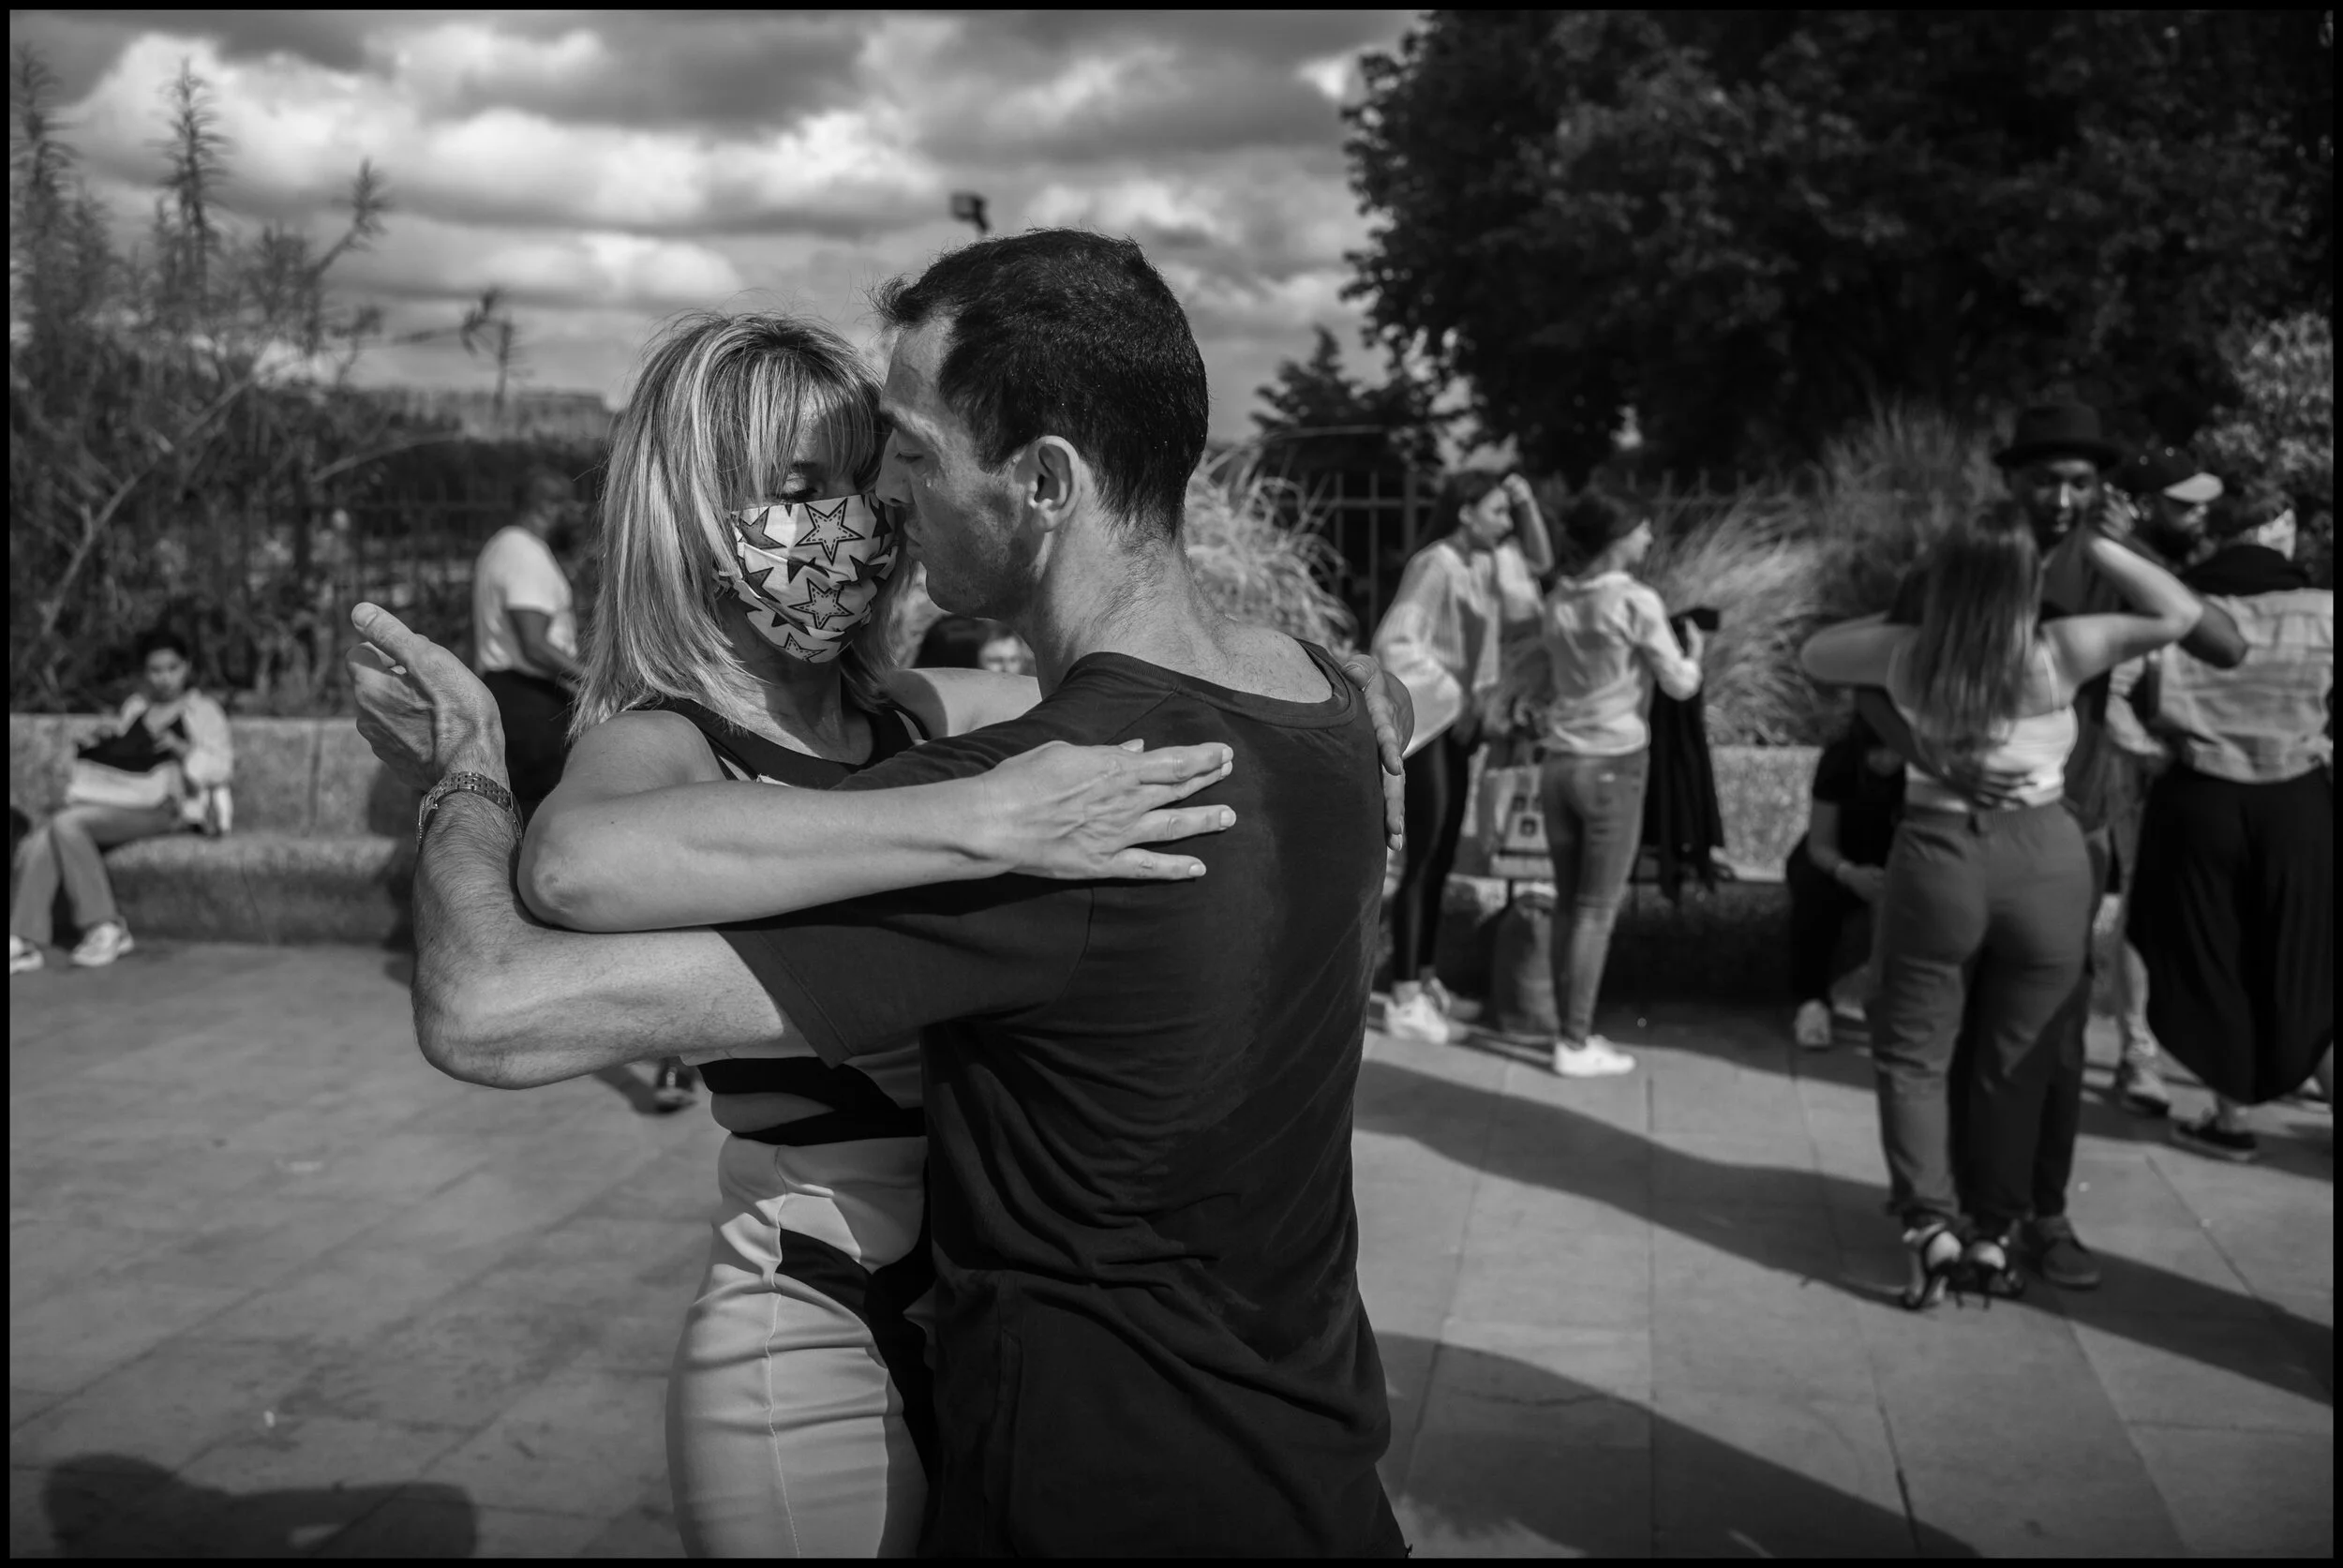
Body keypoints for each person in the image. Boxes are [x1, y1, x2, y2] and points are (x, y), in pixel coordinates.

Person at [346, 230, 1415, 1557]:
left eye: (879, 466)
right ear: (697, 516)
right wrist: (972, 818)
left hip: (978, 1341)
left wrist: (1348, 679)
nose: (874, 509)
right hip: (818, 1326)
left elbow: (1172, 689)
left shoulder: (923, 714)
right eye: (812, 486)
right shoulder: (673, 742)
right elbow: (566, 874)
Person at [1852, 401, 2246, 1292]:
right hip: (1969, 826)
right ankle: (1965, 1211)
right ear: (2010, 481)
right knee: (1957, 1031)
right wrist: (1931, 754)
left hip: (2078, 819)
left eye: (2080, 483)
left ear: (2102, 489)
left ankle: (2038, 1213)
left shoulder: (2112, 565)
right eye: (2044, 481)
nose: (2062, 499)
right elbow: (1871, 682)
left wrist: (2118, 548)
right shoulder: (1959, 564)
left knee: (2047, 1042)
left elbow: (2223, 644)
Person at [2128, 483, 2335, 1162]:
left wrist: (2149, 750)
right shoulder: (2323, 610)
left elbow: (2118, 693)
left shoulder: (2181, 603)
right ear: (2278, 528)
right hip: (2297, 797)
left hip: (2200, 795)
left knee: (2216, 951)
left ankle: (2231, 1117)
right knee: (2309, 957)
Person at [1522, 490, 1703, 1077]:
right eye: (1642, 527)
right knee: (1595, 911)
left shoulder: (1560, 600)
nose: (1648, 536)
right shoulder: (1635, 600)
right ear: (1619, 535)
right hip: (1613, 764)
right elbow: (1679, 684)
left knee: (1568, 903)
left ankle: (1564, 1030)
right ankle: (1574, 1041)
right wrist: (1696, 653)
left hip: (1558, 763)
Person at [1372, 470, 1553, 1044]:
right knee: (1424, 859)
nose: (1506, 524)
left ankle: (1424, 982)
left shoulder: (1486, 565)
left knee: (1444, 854)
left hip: (1458, 729)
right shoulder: (1436, 564)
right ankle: (1403, 996)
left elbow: (1539, 572)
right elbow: (1395, 642)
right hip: (1431, 726)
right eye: (1498, 512)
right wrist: (1455, 697)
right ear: (1465, 511)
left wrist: (1527, 505)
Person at [10, 629, 233, 975]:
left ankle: (105, 925)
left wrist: (181, 749)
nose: (164, 678)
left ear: (187, 668)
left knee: (67, 823)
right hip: (126, 799)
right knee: (46, 835)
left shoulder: (203, 712)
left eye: (172, 669)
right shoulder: (136, 707)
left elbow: (221, 768)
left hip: (168, 807)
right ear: (145, 673)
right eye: (155, 670)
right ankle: (23, 941)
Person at [1784, 712, 1904, 1049]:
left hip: (1898, 862)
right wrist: (1848, 873)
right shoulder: (1839, 760)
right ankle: (1812, 1002)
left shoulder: (1922, 766)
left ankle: (1892, 1001)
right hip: (1834, 857)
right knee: (1814, 895)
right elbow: (1819, 844)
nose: (1886, 760)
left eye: (1894, 751)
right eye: (1876, 752)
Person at [472, 467, 586, 820]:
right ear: (547, 507)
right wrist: (592, 679)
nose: (576, 519)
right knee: (540, 814)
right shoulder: (525, 553)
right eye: (569, 509)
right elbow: (535, 645)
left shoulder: (501, 546)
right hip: (528, 703)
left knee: (518, 812)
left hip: (511, 694)